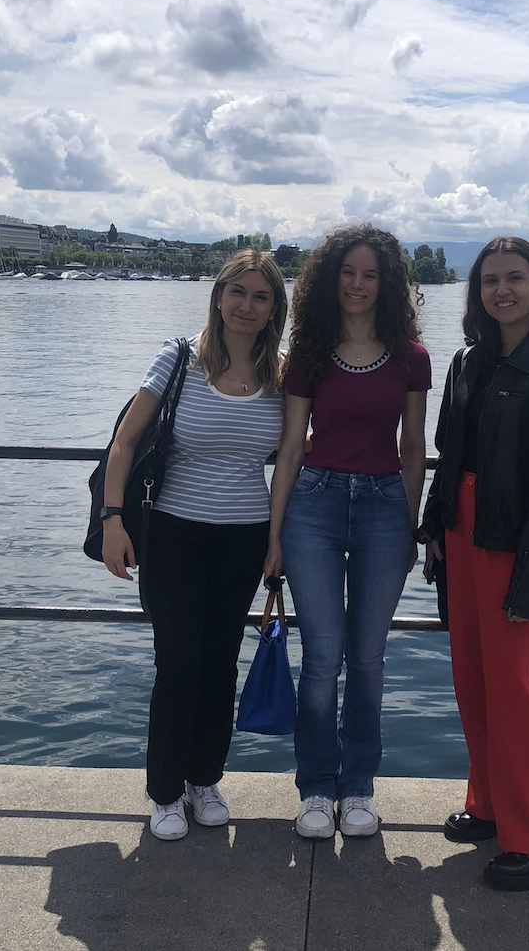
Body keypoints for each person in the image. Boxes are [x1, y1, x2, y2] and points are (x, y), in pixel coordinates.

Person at [417, 236, 529, 891]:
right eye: (490, 280)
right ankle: (490, 806)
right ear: (477, 292)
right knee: (474, 680)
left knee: (517, 691)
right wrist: (433, 528)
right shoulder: (468, 362)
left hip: (513, 543)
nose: (502, 290)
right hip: (462, 533)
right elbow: (448, 454)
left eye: (515, 278)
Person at [101, 250, 287, 841]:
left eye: (261, 296)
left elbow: (291, 454)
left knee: (218, 666)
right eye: (238, 292)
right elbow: (125, 444)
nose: (247, 306)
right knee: (178, 666)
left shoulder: (281, 375)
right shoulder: (178, 358)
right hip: (174, 533)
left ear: (274, 307)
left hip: (243, 538)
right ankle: (163, 792)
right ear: (218, 294)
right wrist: (112, 520)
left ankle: (205, 778)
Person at [265, 224, 430, 839]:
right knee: (323, 655)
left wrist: (408, 526)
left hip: (386, 505)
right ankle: (315, 788)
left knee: (367, 658)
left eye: (370, 274)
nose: (358, 284)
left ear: (386, 284)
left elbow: (413, 446)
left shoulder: (411, 357)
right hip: (314, 503)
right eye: (348, 272)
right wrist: (275, 533)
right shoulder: (308, 353)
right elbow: (288, 449)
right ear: (330, 279)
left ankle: (358, 787)